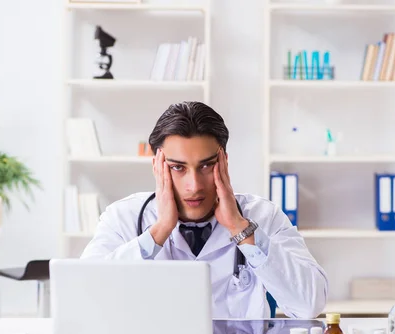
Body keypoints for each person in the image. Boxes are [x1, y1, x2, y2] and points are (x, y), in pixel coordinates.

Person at [81, 101, 328, 319]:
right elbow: (84, 297)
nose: (194, 186)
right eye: (178, 168)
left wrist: (240, 228)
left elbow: (309, 306)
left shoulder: (263, 216)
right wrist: (158, 232)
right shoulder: (123, 217)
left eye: (207, 166)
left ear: (224, 161)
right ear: (157, 165)